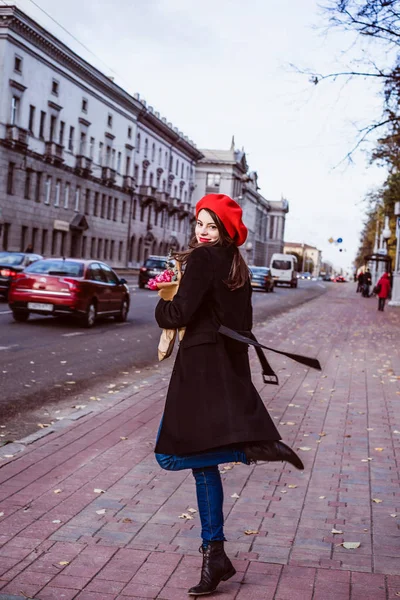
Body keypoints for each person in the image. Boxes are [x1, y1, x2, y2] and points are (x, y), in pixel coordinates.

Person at [154, 194, 309, 596]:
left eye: (210, 226)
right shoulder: (236, 265)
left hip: (200, 373)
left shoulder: (204, 259)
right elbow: (243, 323)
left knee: (169, 454)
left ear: (223, 230)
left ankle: (253, 451)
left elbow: (178, 314)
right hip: (225, 368)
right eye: (199, 224)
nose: (202, 232)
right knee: (201, 467)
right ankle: (215, 557)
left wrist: (163, 302)